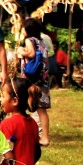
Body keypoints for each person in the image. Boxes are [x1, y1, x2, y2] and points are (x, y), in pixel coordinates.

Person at [16, 17, 52, 146]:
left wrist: (21, 51)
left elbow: (31, 54)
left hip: (31, 79)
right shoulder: (41, 41)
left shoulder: (29, 40)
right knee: (42, 109)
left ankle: (27, 134)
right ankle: (45, 137)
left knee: (25, 105)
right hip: (42, 78)